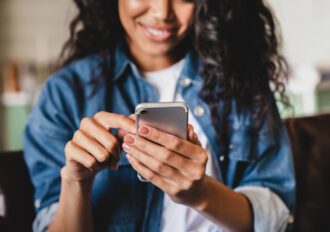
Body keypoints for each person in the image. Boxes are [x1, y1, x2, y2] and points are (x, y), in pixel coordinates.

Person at [23, 0, 295, 231]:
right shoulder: (65, 93)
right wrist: (76, 181)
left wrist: (200, 194)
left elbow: (275, 215)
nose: (162, 12)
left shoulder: (240, 81)